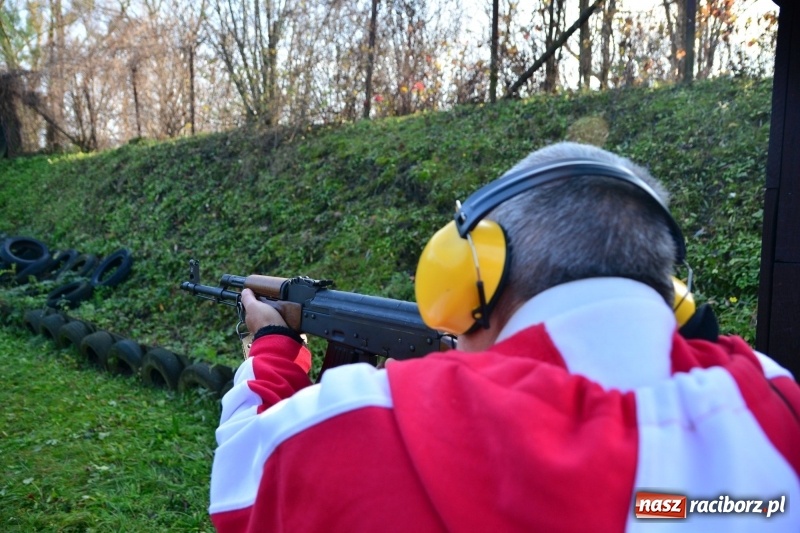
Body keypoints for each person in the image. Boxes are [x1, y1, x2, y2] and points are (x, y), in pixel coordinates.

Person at [209, 142, 800, 532]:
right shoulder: (778, 404)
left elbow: (238, 487)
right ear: (672, 292)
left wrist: (273, 350)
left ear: (474, 271)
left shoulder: (360, 418)